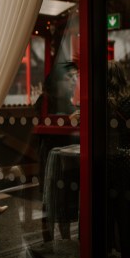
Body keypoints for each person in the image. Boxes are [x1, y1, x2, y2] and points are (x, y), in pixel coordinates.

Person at [34, 61, 80, 242]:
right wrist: (69, 120)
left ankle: (67, 241)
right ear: (57, 81)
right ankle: (48, 243)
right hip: (50, 158)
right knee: (50, 200)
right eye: (69, 77)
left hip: (67, 159)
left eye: (75, 77)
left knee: (66, 202)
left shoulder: (68, 102)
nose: (73, 81)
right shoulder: (45, 101)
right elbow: (43, 125)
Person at [107, 60, 130, 258]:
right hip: (126, 160)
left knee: (109, 208)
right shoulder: (127, 101)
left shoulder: (104, 103)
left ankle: (108, 249)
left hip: (110, 160)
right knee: (125, 209)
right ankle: (125, 250)